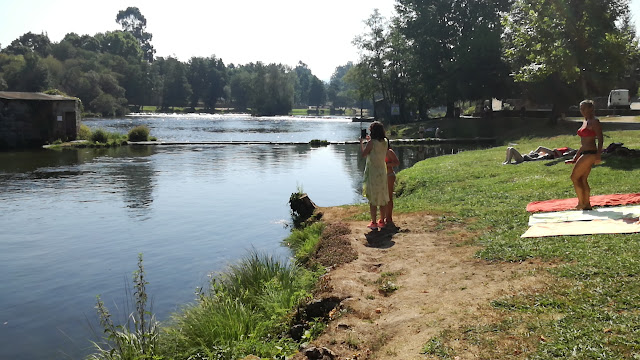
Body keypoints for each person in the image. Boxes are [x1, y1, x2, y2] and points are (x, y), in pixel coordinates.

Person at [565, 100, 603, 210]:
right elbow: (583, 144)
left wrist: (598, 155)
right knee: (582, 179)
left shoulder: (595, 121)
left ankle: (581, 203)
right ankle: (586, 204)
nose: (581, 111)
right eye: (580, 108)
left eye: (583, 108)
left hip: (590, 153)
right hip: (585, 152)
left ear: (590, 109)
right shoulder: (586, 120)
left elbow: (600, 139)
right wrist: (575, 157)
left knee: (574, 177)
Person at [360, 121, 390, 230]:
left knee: (373, 198)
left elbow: (364, 154)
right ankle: (382, 220)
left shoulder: (371, 143)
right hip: (382, 171)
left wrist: (362, 143)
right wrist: (369, 142)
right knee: (382, 196)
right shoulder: (385, 141)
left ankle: (373, 222)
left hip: (373, 172)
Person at [384, 141, 400, 228]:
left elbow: (397, 162)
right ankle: (384, 217)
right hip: (381, 176)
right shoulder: (378, 151)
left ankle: (389, 218)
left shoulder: (389, 151)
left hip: (389, 175)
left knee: (389, 197)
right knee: (383, 197)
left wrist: (387, 164)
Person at [503, 146, 575, 164]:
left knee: (511, 148)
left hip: (526, 158)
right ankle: (506, 161)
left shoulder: (564, 155)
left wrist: (555, 150)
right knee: (509, 148)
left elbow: (560, 156)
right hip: (528, 157)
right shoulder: (569, 149)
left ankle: (508, 161)